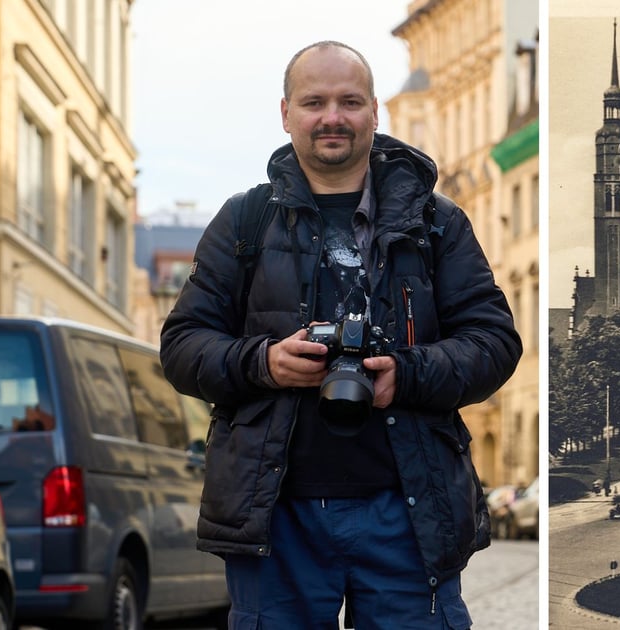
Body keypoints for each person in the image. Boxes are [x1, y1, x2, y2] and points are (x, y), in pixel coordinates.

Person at [159, 41, 521, 629]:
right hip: (275, 516)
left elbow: (495, 342)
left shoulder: (435, 222)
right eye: (314, 102)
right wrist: (264, 362)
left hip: (409, 512)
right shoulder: (244, 221)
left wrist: (407, 374)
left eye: (349, 101)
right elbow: (180, 348)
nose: (332, 117)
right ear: (286, 113)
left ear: (375, 112)